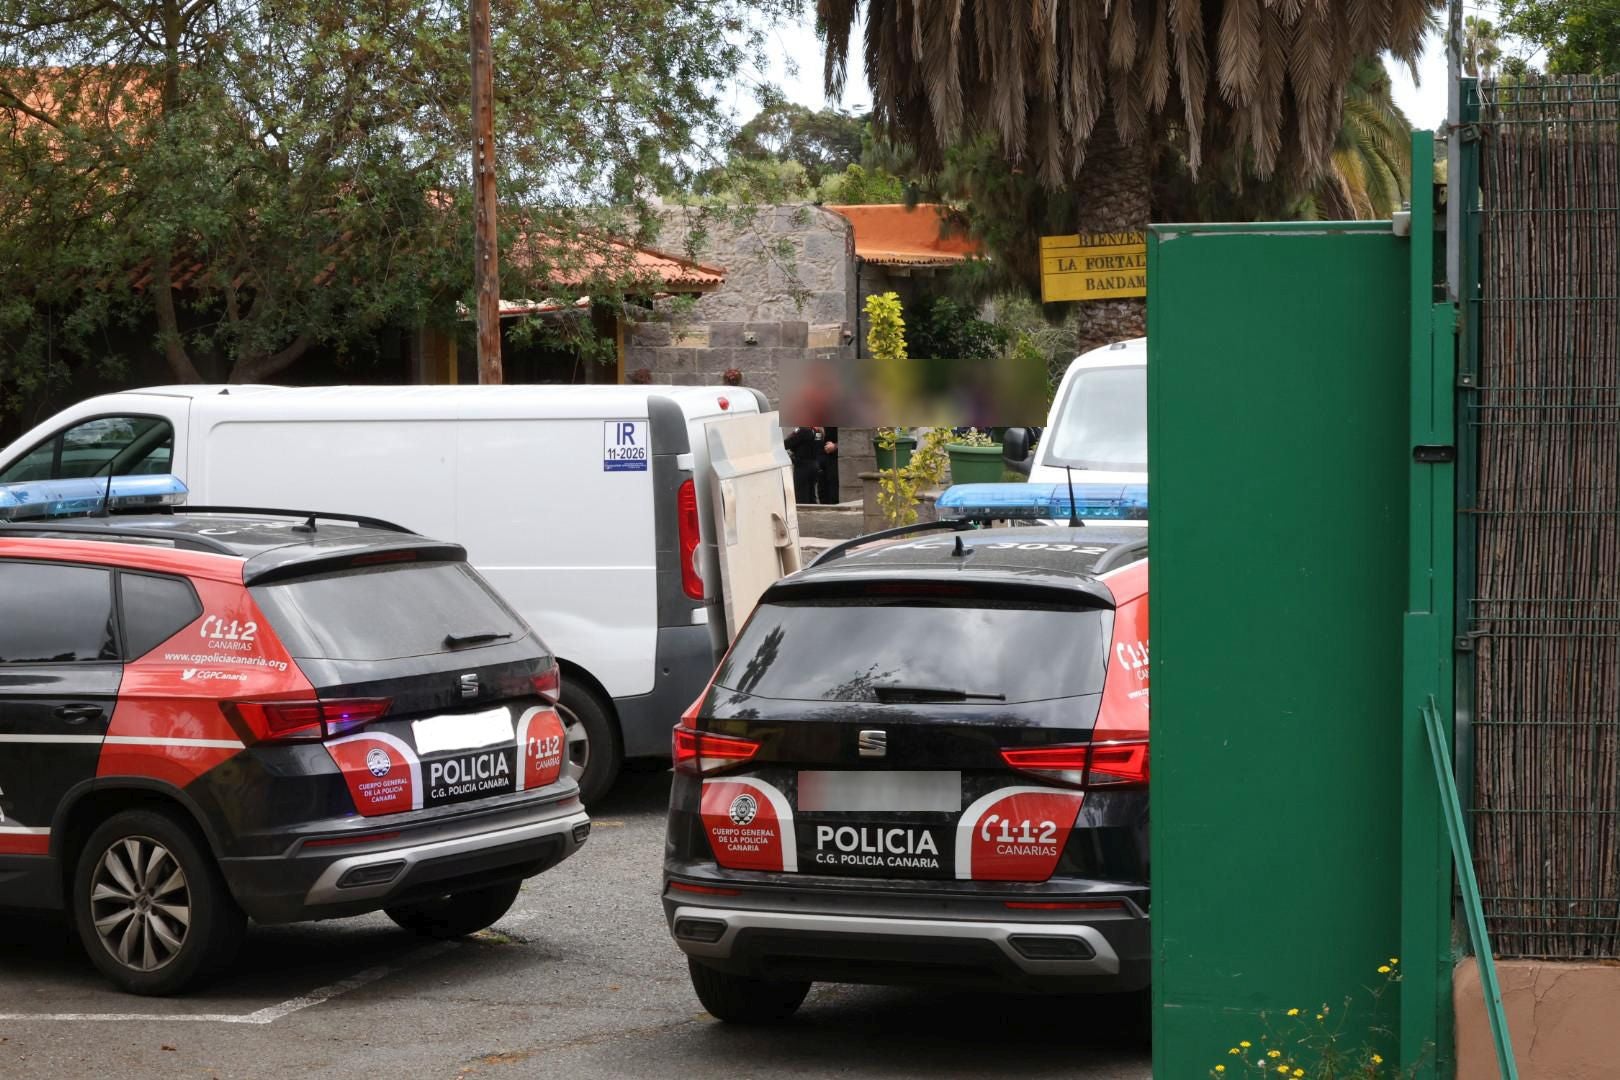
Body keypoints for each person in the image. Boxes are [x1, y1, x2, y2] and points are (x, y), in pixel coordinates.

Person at [784, 426, 825, 505]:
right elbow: (817, 446)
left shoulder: (804, 430)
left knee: (801, 495)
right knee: (811, 495)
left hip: (802, 466)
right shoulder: (818, 432)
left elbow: (787, 444)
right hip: (814, 465)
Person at [816, 426, 839, 504]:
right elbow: (817, 441)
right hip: (821, 460)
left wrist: (835, 446)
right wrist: (818, 432)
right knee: (822, 490)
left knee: (833, 488)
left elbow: (850, 440)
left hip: (835, 459)